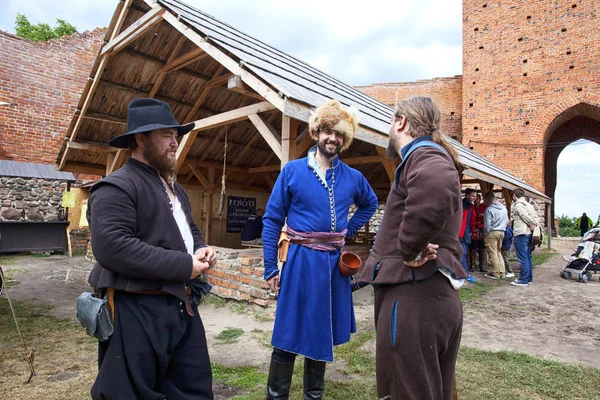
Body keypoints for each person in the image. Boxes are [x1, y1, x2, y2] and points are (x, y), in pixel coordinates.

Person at [87, 98, 217, 399]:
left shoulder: (175, 187)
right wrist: (185, 266)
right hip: (136, 309)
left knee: (192, 388)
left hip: (181, 305)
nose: (175, 143)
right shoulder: (116, 186)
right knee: (131, 393)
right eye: (166, 135)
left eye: (176, 135)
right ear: (140, 138)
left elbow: (189, 231)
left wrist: (201, 248)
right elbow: (112, 247)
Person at [262, 99, 378, 399]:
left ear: (345, 139)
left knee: (321, 330)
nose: (333, 138)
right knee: (288, 330)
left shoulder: (353, 177)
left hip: (332, 266)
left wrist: (348, 230)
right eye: (327, 131)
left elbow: (370, 204)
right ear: (316, 132)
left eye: (339, 134)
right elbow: (273, 219)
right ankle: (276, 396)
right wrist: (270, 267)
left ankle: (314, 395)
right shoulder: (292, 171)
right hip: (300, 261)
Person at [358, 96, 468, 400]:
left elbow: (437, 185)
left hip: (413, 299)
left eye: (391, 123)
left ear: (401, 122)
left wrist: (410, 249)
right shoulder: (430, 155)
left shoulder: (424, 155)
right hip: (427, 297)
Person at [510, 188, 538, 287]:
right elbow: (535, 216)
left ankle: (523, 279)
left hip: (521, 233)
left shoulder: (518, 205)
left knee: (522, 258)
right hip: (528, 234)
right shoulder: (529, 205)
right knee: (527, 257)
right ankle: (528, 278)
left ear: (514, 195)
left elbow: (524, 216)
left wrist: (532, 224)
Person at [482, 192, 508, 279]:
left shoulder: (489, 210)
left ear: (487, 199)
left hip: (492, 232)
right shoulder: (503, 208)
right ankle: (502, 272)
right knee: (498, 252)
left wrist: (485, 234)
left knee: (492, 253)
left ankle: (495, 273)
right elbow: (507, 221)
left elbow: (487, 225)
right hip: (502, 231)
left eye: (484, 199)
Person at [459, 188, 477, 282]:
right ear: (467, 195)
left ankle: (463, 273)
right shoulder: (464, 205)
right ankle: (465, 273)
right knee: (462, 253)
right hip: (462, 232)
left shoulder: (469, 205)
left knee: (463, 252)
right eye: (472, 196)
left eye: (475, 196)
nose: (474, 198)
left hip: (466, 232)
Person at [469, 194, 487, 272]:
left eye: (477, 198)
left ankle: (482, 266)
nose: (476, 199)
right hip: (473, 228)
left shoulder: (483, 207)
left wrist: (483, 215)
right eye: (475, 198)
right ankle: (472, 265)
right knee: (473, 247)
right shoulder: (471, 207)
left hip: (482, 228)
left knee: (482, 247)